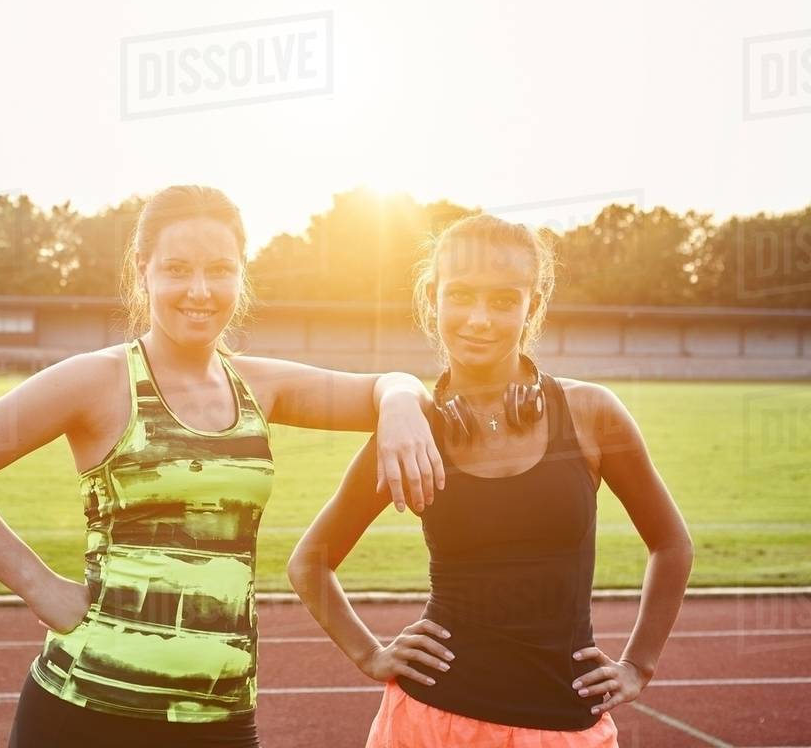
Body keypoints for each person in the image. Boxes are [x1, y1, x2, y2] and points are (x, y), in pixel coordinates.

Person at [0, 185, 445, 748]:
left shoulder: (261, 386)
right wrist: (41, 588)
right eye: (177, 269)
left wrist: (399, 401)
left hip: (221, 717)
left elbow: (391, 385)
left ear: (242, 273)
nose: (200, 291)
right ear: (143, 271)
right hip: (85, 709)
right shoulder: (95, 380)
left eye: (220, 269)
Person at [287, 214, 694, 747]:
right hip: (429, 722)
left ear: (533, 305)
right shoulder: (412, 430)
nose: (479, 319)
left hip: (563, 724)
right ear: (432, 298)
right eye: (460, 295)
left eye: (503, 300)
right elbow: (310, 561)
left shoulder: (592, 413)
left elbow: (671, 543)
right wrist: (370, 653)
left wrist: (639, 664)